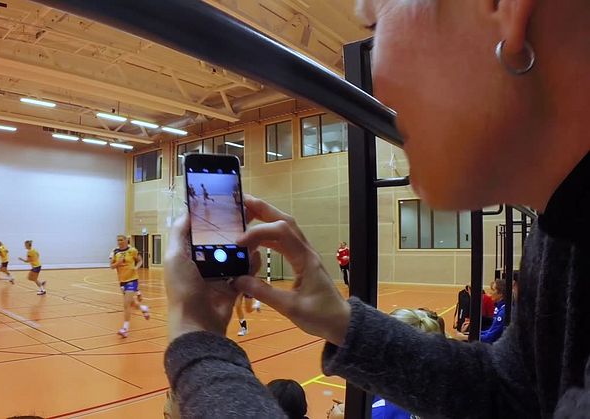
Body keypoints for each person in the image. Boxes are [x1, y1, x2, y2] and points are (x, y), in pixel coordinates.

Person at [162, 0, 590, 413]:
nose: (373, 82)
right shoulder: (560, 236)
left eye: (374, 27)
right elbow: (512, 394)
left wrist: (198, 344)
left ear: (505, 9)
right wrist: (341, 323)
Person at [110, 235, 150, 338]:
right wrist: (118, 263)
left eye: (121, 240)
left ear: (126, 240)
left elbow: (140, 260)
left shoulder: (132, 250)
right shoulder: (115, 252)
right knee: (132, 303)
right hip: (122, 281)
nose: (119, 242)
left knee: (126, 304)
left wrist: (136, 267)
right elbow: (111, 266)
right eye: (118, 240)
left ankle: (125, 328)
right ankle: (143, 308)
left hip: (132, 280)